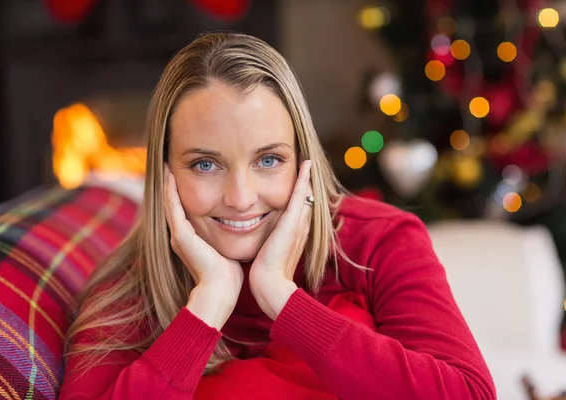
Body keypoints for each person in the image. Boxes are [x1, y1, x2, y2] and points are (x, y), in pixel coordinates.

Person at [59, 31, 496, 399]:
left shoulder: (378, 241)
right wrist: (207, 305)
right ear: (163, 173)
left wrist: (282, 298)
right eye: (205, 164)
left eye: (268, 160)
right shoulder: (128, 291)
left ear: (302, 160)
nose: (241, 198)